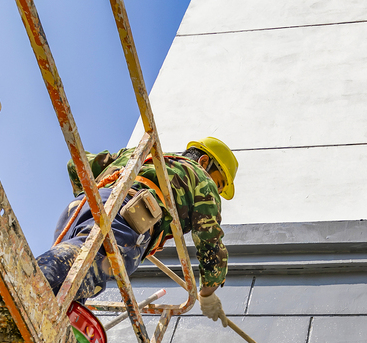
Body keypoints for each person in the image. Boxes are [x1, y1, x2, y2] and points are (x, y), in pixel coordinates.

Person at [36, 136, 238, 324]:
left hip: (81, 209)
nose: (216, 191)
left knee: (69, 288)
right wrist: (208, 293)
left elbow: (76, 164)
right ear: (203, 162)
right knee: (81, 269)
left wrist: (96, 201)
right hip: (129, 216)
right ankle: (29, 289)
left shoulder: (141, 155)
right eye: (219, 183)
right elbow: (210, 240)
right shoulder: (200, 178)